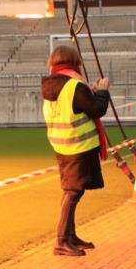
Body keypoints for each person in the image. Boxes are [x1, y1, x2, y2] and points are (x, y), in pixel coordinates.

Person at [42, 44, 111, 257]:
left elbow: (77, 105)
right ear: (74, 62)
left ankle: (70, 236)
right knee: (73, 192)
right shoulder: (74, 86)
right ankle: (61, 240)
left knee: (71, 190)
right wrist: (103, 91)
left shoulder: (52, 85)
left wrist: (90, 91)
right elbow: (97, 109)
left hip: (62, 145)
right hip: (79, 146)